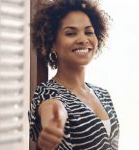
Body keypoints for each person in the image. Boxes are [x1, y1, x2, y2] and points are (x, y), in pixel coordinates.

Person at [28, 0, 119, 149]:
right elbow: (53, 109)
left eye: (89, 32)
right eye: (71, 33)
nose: (83, 40)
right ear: (52, 44)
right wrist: (52, 126)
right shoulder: (48, 92)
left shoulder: (103, 95)